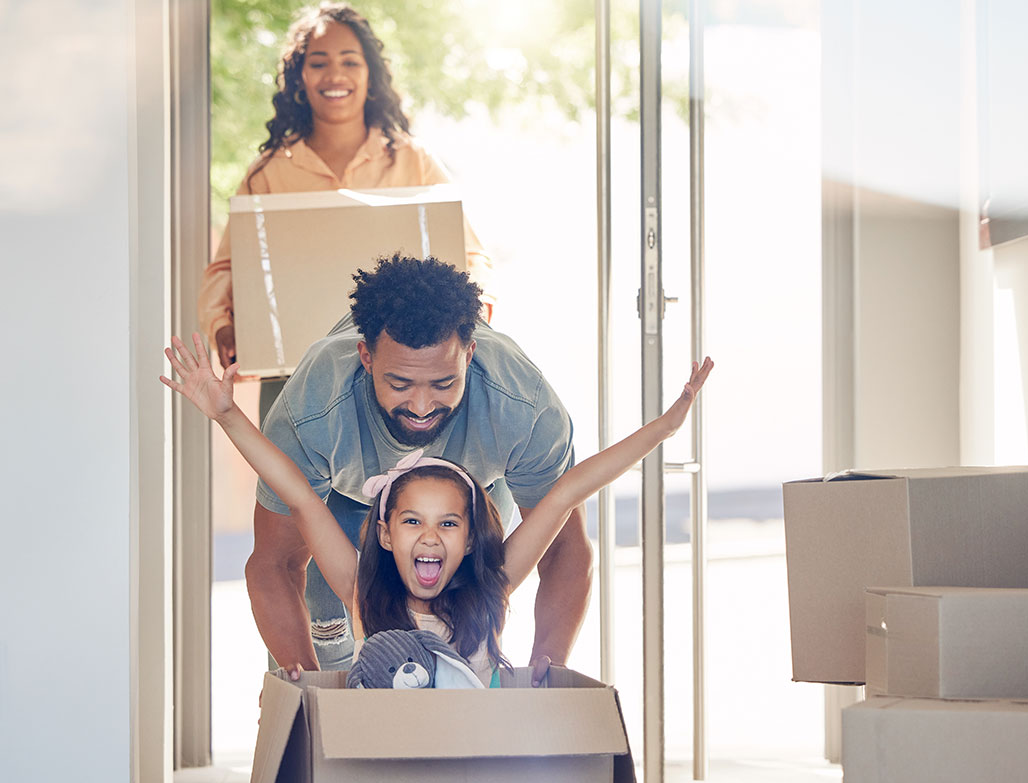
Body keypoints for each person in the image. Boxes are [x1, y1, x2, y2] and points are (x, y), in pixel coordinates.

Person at [162, 333, 712, 685]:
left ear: (471, 538)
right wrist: (227, 415)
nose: (430, 537)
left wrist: (663, 429)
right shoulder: (362, 590)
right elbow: (301, 496)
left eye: (448, 523)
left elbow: (568, 490)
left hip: (466, 764)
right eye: (411, 522)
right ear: (382, 534)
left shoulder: (490, 586)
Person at [232, 254, 598, 679]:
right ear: (366, 358)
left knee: (462, 654)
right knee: (329, 650)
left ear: (469, 355)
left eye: (444, 384)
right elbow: (274, 563)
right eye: (399, 384)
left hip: (475, 490)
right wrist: (303, 691)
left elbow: (565, 549)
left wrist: (545, 673)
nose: (422, 408)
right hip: (344, 499)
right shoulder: (314, 411)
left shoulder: (522, 407)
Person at [198, 1, 495, 374]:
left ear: (370, 75)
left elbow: (471, 257)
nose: (335, 75)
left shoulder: (412, 160)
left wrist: (475, 315)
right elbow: (225, 269)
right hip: (293, 374)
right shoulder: (269, 173)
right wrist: (222, 326)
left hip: (399, 374)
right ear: (299, 78)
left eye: (350, 61)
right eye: (319, 63)